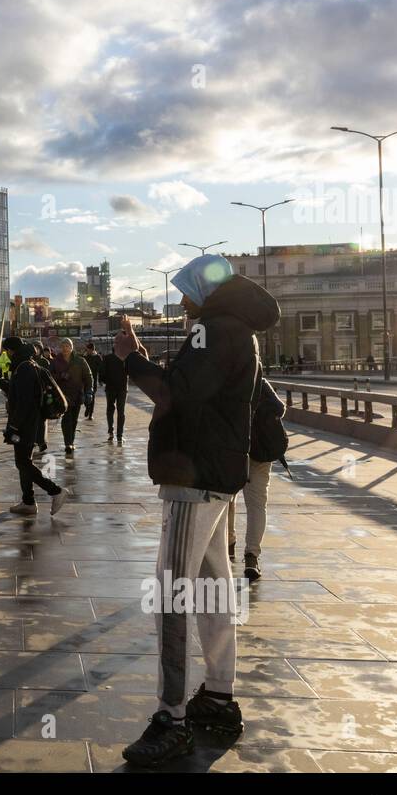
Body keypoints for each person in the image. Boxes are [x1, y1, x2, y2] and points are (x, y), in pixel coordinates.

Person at [111, 254, 279, 768]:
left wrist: (132, 361)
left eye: (186, 291)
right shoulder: (236, 330)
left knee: (171, 596)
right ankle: (219, 697)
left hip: (193, 478)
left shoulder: (213, 330)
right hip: (217, 477)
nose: (181, 300)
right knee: (213, 589)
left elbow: (176, 396)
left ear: (204, 293)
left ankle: (172, 717)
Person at [1, 337, 70, 517]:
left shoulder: (23, 368)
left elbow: (24, 402)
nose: (6, 355)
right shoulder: (27, 365)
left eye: (6, 351)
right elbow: (17, 392)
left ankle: (55, 491)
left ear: (11, 350)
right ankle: (28, 502)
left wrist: (14, 427)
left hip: (26, 424)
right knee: (24, 462)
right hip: (31, 423)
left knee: (22, 462)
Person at [226, 377, 286, 581]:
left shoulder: (226, 379)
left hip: (231, 450)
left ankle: (228, 544)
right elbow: (280, 408)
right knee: (257, 505)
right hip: (259, 452)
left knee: (227, 501)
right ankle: (252, 557)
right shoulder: (259, 381)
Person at [51, 338, 93, 456]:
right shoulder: (55, 361)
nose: (65, 348)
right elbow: (49, 376)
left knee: (73, 420)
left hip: (77, 395)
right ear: (60, 347)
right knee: (66, 419)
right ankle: (67, 444)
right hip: (62, 396)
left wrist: (89, 391)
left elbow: (88, 377)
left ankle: (71, 441)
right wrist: (60, 376)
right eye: (63, 346)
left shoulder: (80, 361)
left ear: (72, 347)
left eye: (67, 346)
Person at [100, 340, 133, 445]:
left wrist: (107, 381)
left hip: (110, 388)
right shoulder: (126, 359)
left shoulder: (107, 358)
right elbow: (131, 372)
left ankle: (111, 432)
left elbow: (102, 373)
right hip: (122, 388)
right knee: (121, 412)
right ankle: (120, 435)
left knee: (110, 409)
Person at [82, 341, 102, 420]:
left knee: (92, 397)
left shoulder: (97, 357)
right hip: (84, 380)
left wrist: (100, 380)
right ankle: (87, 407)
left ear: (93, 349)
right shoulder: (84, 357)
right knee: (84, 396)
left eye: (90, 350)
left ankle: (90, 414)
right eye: (87, 350)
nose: (88, 351)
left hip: (93, 380)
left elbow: (101, 369)